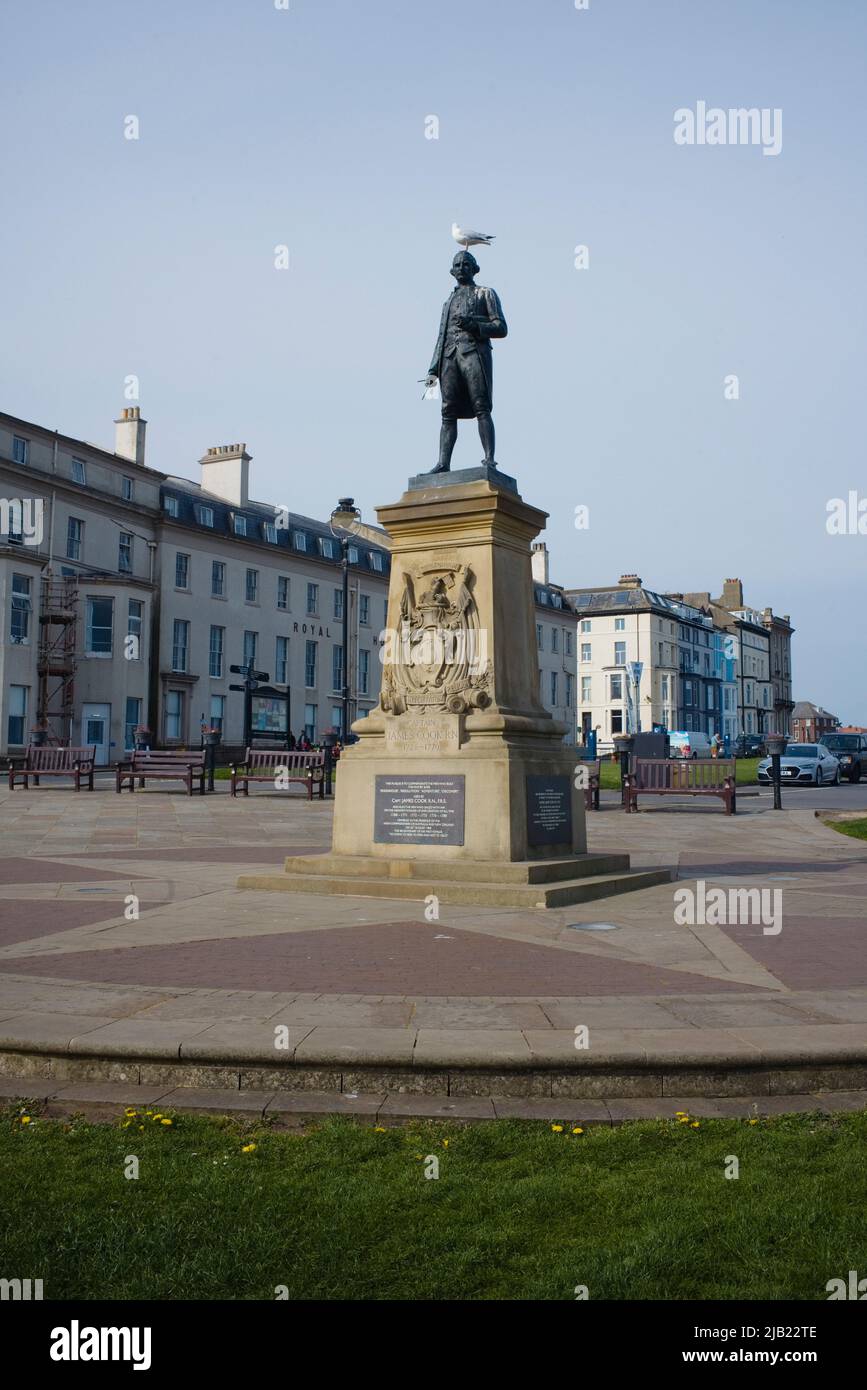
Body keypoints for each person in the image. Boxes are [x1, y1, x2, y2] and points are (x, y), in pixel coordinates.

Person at [424, 250, 507, 472]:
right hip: (449, 358)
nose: (461, 268)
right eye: (457, 265)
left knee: (482, 407)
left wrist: (474, 325)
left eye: (466, 264)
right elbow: (441, 336)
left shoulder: (485, 293)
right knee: (447, 411)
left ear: (474, 268)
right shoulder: (448, 302)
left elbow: (501, 327)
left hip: (473, 354)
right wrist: (433, 368)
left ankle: (489, 460)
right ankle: (443, 463)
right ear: (452, 271)